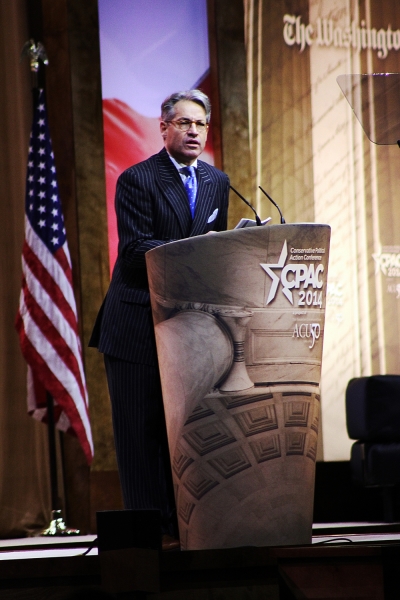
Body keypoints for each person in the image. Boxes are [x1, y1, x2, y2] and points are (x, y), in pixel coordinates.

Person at [90, 89, 230, 549]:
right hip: (136, 327)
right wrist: (196, 253)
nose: (194, 131)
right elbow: (133, 253)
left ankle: (187, 529)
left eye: (201, 125)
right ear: (164, 127)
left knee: (184, 435)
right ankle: (149, 540)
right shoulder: (137, 179)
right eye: (185, 123)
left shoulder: (217, 181)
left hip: (189, 329)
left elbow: (217, 245)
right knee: (141, 435)